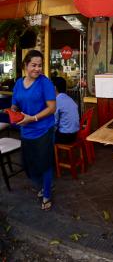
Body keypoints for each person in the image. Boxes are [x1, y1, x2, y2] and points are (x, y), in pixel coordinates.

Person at [11, 50, 56, 211]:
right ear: (25, 65)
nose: (37, 69)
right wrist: (13, 110)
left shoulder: (45, 83)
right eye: (33, 65)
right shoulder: (18, 83)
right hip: (26, 131)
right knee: (29, 165)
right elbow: (15, 103)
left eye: (40, 65)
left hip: (43, 129)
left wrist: (33, 118)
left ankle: (47, 194)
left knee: (44, 164)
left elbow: (52, 108)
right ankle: (43, 185)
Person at [52, 76, 80, 144]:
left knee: (44, 137)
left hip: (65, 137)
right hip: (75, 134)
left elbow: (54, 122)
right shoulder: (70, 99)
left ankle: (51, 154)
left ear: (55, 88)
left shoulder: (57, 100)